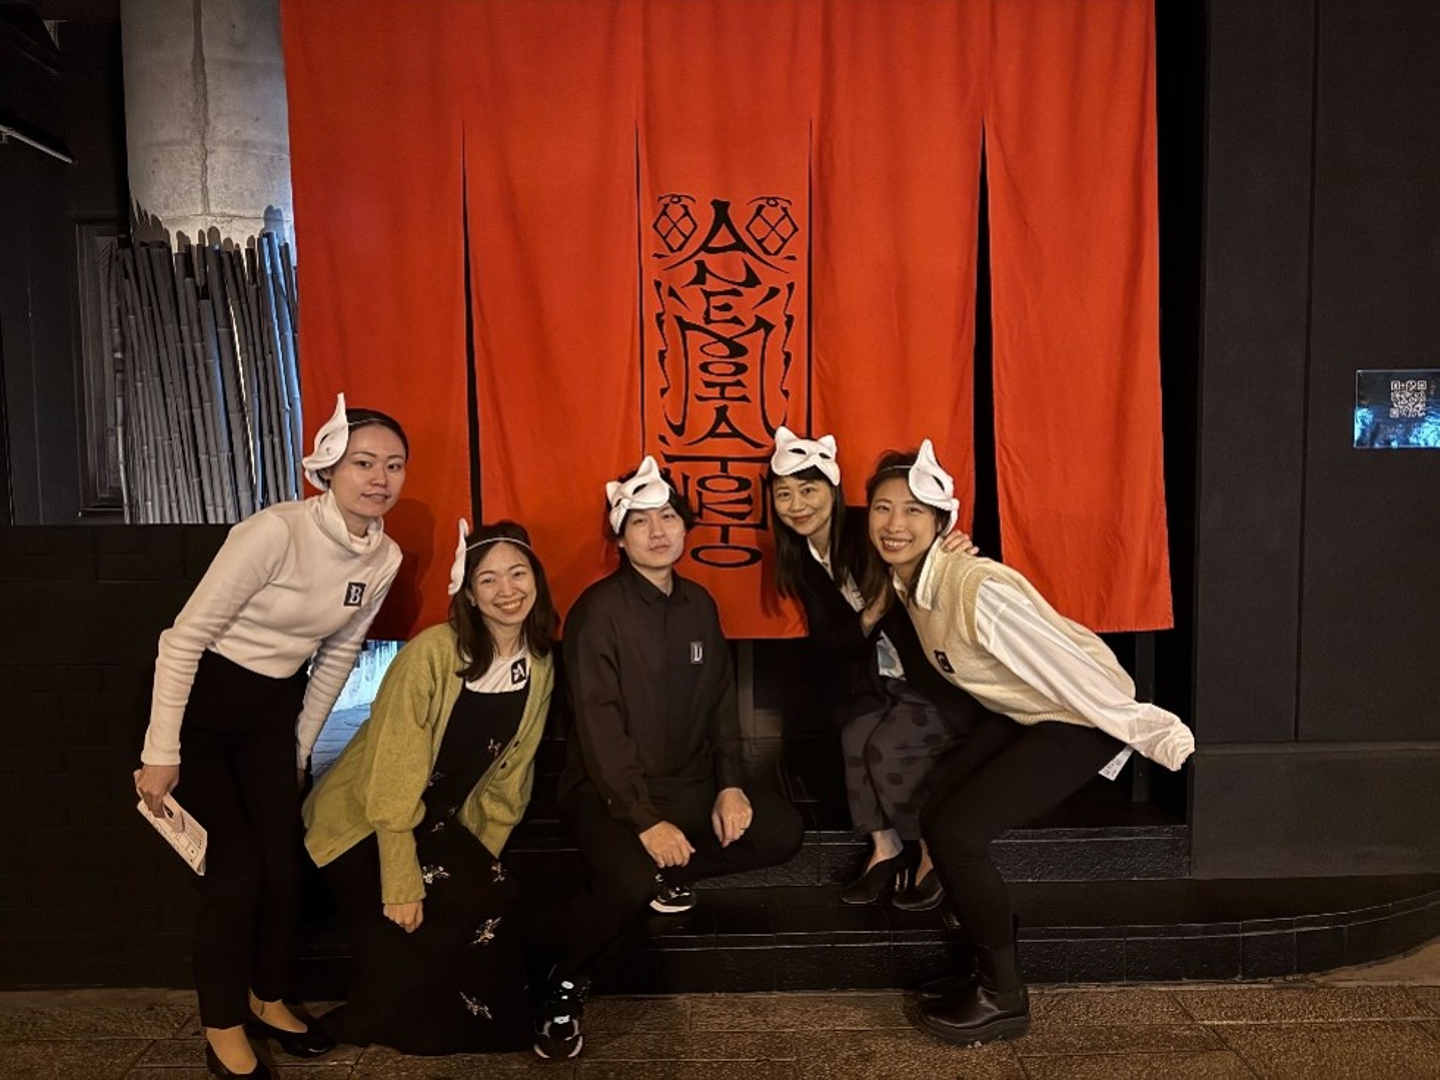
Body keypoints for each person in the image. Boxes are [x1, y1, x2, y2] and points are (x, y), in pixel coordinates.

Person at [865, 441, 1195, 1046]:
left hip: (1079, 716)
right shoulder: (909, 582)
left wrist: (1147, 727)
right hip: (1027, 712)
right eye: (883, 508)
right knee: (936, 812)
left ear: (941, 521)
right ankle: (980, 962)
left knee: (960, 833)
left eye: (913, 511)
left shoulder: (976, 588)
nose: (895, 524)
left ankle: (1003, 995)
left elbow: (1068, 666)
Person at [134, 394, 408, 1079]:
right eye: (364, 462)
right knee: (237, 874)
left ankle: (269, 996)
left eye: (394, 465)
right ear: (328, 467)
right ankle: (223, 1024)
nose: (379, 478)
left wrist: (298, 751)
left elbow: (337, 656)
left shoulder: (384, 557)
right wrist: (160, 752)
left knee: (286, 865)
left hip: (269, 714)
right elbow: (182, 639)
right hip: (198, 708)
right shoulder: (275, 531)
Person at [535, 455, 805, 1060]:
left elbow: (720, 703)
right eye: (640, 521)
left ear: (685, 527)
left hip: (688, 780)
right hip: (608, 789)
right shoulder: (596, 612)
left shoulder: (699, 604)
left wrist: (730, 783)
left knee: (782, 830)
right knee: (628, 881)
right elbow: (600, 729)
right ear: (619, 536)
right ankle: (565, 982)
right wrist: (644, 819)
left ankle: (671, 871)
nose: (657, 532)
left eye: (668, 518)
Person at [303, 519, 557, 1054]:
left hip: (439, 822)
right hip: (364, 822)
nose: (507, 590)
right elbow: (392, 773)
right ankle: (374, 1020)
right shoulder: (432, 654)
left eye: (518, 573)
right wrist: (401, 879)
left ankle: (463, 1027)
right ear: (469, 592)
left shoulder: (538, 661)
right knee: (418, 914)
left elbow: (512, 777)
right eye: (488, 579)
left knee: (495, 893)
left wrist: (481, 854)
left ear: (537, 578)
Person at [767, 427, 981, 909]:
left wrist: (954, 549)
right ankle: (885, 847)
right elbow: (834, 642)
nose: (798, 505)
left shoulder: (874, 528)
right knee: (854, 735)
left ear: (833, 489)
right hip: (879, 678)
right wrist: (871, 612)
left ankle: (932, 851)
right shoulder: (802, 557)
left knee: (887, 747)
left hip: (931, 677)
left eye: (809, 489)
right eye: (784, 494)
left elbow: (930, 556)